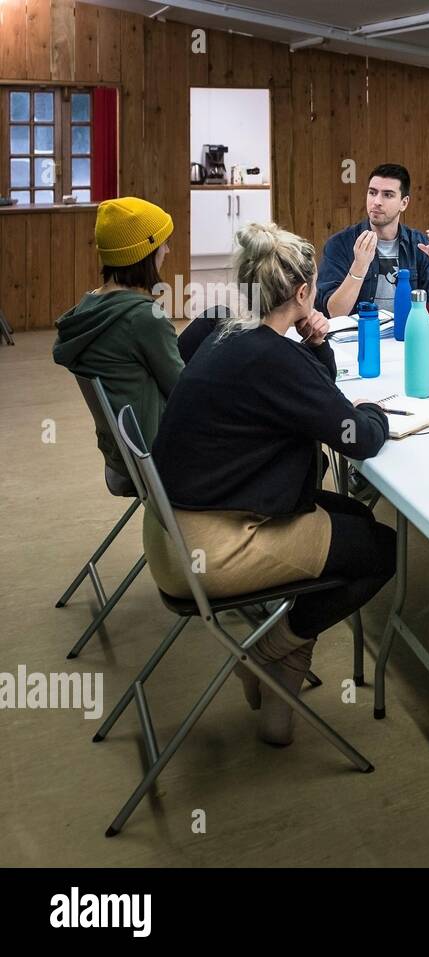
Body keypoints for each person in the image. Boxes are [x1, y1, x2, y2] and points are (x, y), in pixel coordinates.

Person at [145, 222, 396, 746]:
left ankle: (278, 698)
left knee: (356, 517)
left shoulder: (220, 328)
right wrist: (376, 410)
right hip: (215, 547)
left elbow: (305, 392)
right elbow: (357, 437)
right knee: (380, 549)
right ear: (304, 294)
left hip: (171, 526)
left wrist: (316, 347)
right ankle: (264, 655)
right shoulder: (271, 358)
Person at [52, 197, 184, 494]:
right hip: (159, 453)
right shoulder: (142, 319)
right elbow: (182, 390)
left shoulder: (90, 308)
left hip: (121, 453)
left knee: (212, 323)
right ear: (145, 252)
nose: (167, 250)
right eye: (162, 244)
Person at [315, 163, 429, 319]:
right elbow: (335, 312)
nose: (377, 201)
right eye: (372, 193)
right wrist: (359, 267)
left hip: (405, 334)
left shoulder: (418, 244)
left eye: (388, 195)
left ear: (404, 203)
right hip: (359, 337)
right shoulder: (340, 244)